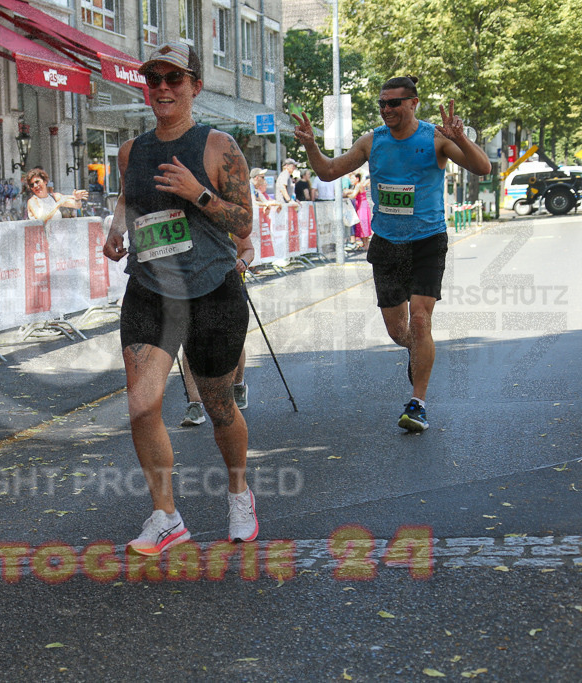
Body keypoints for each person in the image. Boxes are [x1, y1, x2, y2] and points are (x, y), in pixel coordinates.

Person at [102, 41, 257, 555]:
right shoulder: (131, 151)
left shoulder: (218, 146)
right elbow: (128, 197)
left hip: (212, 290)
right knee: (142, 404)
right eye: (154, 79)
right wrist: (116, 228)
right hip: (150, 289)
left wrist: (198, 193)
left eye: (174, 79)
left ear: (195, 85)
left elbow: (243, 222)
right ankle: (166, 517)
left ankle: (239, 494)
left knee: (218, 407)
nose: (163, 88)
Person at [293, 75, 491, 432]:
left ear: (413, 103)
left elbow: (482, 167)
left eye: (394, 103)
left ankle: (418, 404)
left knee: (420, 320)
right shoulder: (372, 141)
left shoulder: (435, 138)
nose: (386, 109)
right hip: (386, 242)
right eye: (382, 103)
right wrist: (311, 145)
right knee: (399, 331)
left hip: (427, 240)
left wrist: (460, 137)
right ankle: (419, 351)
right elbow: (328, 171)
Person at [180, 233, 256, 426]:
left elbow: (248, 249)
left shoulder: (226, 217)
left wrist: (243, 262)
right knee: (189, 341)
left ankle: (238, 385)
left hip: (228, 286)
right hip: (192, 286)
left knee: (232, 340)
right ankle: (195, 404)